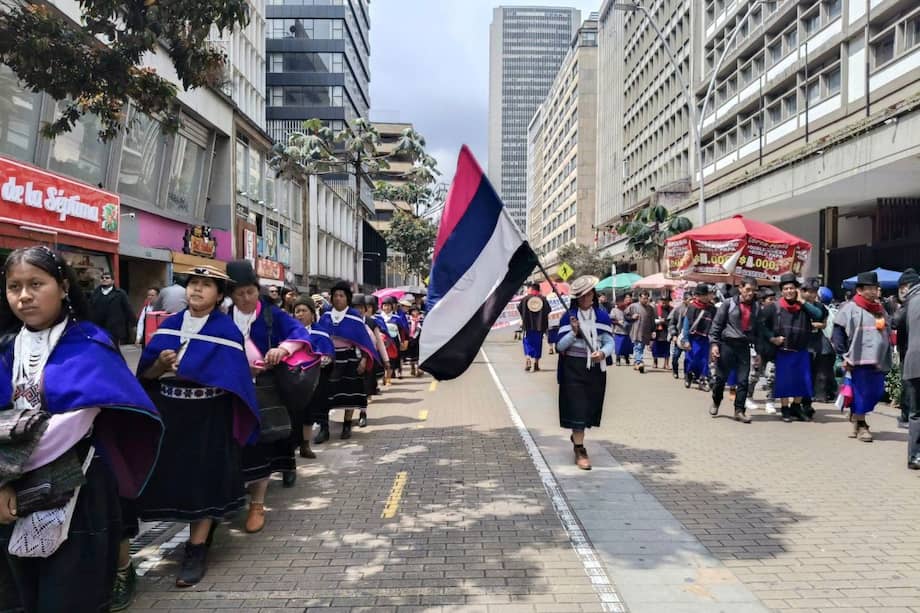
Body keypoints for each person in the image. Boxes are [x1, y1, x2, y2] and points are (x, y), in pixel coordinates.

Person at [0, 246, 163, 613]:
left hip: (78, 490)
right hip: (8, 497)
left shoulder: (89, 345)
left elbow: (69, 427)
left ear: (62, 286)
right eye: (14, 287)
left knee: (71, 598)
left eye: (36, 284)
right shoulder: (6, 348)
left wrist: (5, 474)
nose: (24, 296)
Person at [135, 264, 259, 588]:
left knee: (203, 481)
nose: (196, 290)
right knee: (178, 480)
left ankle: (196, 549)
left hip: (210, 416)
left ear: (219, 295)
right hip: (173, 414)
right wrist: (159, 365)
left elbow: (237, 381)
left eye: (206, 285)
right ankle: (196, 535)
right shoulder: (170, 326)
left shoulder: (226, 331)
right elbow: (144, 376)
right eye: (193, 283)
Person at [225, 260, 319, 532]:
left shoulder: (270, 315)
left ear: (258, 290)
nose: (245, 298)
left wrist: (284, 349)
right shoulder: (223, 317)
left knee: (263, 444)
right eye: (239, 293)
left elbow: (298, 333)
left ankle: (257, 503)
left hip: (265, 390)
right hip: (232, 391)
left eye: (250, 292)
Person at [555, 276, 615, 471]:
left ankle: (577, 436)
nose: (586, 298)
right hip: (572, 368)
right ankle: (580, 449)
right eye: (581, 295)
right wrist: (573, 333)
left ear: (594, 295)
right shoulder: (568, 317)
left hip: (595, 370)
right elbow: (559, 346)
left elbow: (609, 341)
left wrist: (603, 353)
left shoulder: (602, 316)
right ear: (576, 298)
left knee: (589, 408)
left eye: (589, 294)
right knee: (577, 408)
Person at [312, 281, 379, 440]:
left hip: (349, 359)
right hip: (329, 360)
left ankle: (347, 425)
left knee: (349, 393)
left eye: (341, 295)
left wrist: (363, 359)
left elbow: (364, 341)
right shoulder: (326, 316)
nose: (338, 298)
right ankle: (324, 428)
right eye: (335, 295)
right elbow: (319, 337)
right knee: (325, 395)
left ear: (347, 298)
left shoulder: (354, 317)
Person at [831, 271, 893, 442]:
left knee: (876, 391)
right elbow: (838, 333)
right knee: (861, 392)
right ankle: (861, 425)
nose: (874, 291)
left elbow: (886, 330)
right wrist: (843, 355)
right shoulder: (850, 308)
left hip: (878, 360)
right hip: (857, 359)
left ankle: (856, 417)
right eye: (870, 288)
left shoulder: (880, 309)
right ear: (859, 290)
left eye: (875, 288)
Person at [767, 273, 825, 422]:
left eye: (792, 288)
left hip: (801, 350)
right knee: (785, 381)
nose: (789, 291)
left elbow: (818, 315)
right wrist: (772, 338)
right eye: (786, 288)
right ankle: (785, 409)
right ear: (782, 290)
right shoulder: (775, 307)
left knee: (802, 380)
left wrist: (802, 301)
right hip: (784, 351)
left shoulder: (804, 306)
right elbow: (762, 325)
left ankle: (796, 407)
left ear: (797, 290)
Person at [709, 277, 762, 423]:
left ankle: (739, 410)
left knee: (743, 380)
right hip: (727, 345)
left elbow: (758, 332)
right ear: (741, 288)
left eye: (753, 290)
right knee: (720, 379)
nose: (750, 293)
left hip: (744, 346)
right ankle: (716, 401)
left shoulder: (757, 308)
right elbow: (717, 325)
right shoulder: (728, 304)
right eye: (748, 290)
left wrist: (758, 352)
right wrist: (714, 344)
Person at [291, 297, 333, 457]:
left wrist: (316, 362)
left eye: (304, 311)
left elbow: (328, 355)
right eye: (297, 311)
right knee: (294, 414)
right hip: (292, 381)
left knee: (309, 413)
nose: (300, 314)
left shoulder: (320, 333)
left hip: (314, 380)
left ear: (312, 314)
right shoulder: (290, 332)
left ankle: (305, 445)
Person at [802, 279, 836, 411]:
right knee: (805, 373)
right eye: (809, 292)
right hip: (803, 343)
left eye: (814, 292)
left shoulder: (821, 307)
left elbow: (824, 323)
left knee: (819, 373)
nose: (811, 295)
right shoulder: (800, 306)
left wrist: (817, 325)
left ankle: (813, 399)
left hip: (819, 342)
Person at [893, 269, 919, 429]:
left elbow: (896, 321)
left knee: (909, 384)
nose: (902, 290)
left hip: (911, 351)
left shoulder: (911, 301)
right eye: (900, 286)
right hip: (906, 349)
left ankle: (907, 416)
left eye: (904, 286)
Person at [899, 270, 920, 468]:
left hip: (914, 364)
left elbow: (898, 327)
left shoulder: (909, 303)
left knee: (916, 413)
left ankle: (915, 456)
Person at [682, 284, 716, 390]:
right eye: (699, 295)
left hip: (706, 338)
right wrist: (686, 339)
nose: (702, 297)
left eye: (704, 295)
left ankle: (703, 379)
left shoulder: (712, 308)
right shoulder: (692, 307)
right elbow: (686, 324)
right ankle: (688, 375)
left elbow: (716, 324)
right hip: (693, 338)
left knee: (704, 360)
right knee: (691, 359)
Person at [89, 270, 135, 345]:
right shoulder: (95, 293)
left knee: (113, 349)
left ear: (113, 281)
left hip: (114, 329)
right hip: (98, 328)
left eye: (107, 278)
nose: (104, 279)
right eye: (102, 278)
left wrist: (134, 324)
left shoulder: (120, 294)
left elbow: (128, 309)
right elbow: (90, 309)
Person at [517, 282, 551, 372]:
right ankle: (536, 363)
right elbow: (548, 310)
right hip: (539, 326)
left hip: (528, 325)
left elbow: (519, 309)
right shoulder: (543, 299)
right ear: (539, 290)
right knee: (538, 344)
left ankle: (528, 359)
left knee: (527, 342)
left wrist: (525, 316)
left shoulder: (525, 299)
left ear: (531, 289)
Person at [626, 290, 655, 373]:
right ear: (639, 298)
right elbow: (625, 316)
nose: (645, 300)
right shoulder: (633, 306)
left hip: (646, 331)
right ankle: (639, 362)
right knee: (638, 346)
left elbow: (652, 320)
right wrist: (632, 317)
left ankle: (636, 362)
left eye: (646, 298)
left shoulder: (650, 308)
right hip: (636, 330)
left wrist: (653, 330)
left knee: (640, 347)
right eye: (643, 298)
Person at [668, 294, 690, 379]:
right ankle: (675, 370)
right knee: (676, 355)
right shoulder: (678, 309)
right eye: (689, 299)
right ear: (684, 300)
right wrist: (674, 335)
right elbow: (672, 323)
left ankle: (687, 373)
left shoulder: (694, 309)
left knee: (688, 357)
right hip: (679, 336)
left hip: (689, 337)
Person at [651, 294, 672, 370]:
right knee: (655, 348)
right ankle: (655, 362)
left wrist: (664, 321)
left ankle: (666, 364)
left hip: (666, 330)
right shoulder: (655, 309)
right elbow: (651, 320)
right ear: (659, 301)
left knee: (667, 348)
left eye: (666, 301)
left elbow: (672, 320)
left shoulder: (671, 310)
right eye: (662, 301)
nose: (664, 303)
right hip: (657, 331)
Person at [610, 295, 633, 366]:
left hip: (627, 331)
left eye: (623, 302)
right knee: (618, 347)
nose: (622, 304)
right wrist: (618, 322)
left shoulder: (627, 309)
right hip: (618, 331)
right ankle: (618, 359)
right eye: (620, 302)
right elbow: (611, 320)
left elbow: (631, 318)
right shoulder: (614, 310)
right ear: (617, 303)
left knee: (626, 347)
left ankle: (626, 359)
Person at [406, 306, 424, 377]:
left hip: (419, 338)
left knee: (418, 354)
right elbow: (405, 327)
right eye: (413, 311)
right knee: (411, 355)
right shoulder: (408, 318)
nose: (415, 312)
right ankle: (412, 368)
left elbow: (423, 327)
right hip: (410, 338)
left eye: (416, 311)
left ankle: (418, 369)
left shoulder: (421, 318)